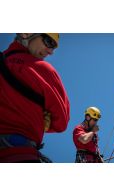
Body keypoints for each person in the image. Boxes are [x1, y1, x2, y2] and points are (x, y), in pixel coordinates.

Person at [0, 33, 70, 162]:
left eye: (53, 47)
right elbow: (62, 122)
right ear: (26, 33)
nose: (50, 52)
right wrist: (44, 121)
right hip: (19, 153)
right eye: (49, 42)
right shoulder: (42, 68)